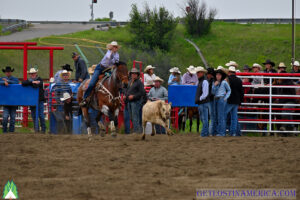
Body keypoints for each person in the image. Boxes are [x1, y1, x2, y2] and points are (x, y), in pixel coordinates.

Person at [80, 41, 120, 106]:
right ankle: (85, 98)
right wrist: (112, 51)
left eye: (116, 47)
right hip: (100, 68)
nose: (115, 48)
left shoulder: (117, 54)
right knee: (92, 83)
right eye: (113, 47)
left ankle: (115, 98)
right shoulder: (109, 52)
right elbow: (108, 58)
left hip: (108, 70)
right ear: (111, 47)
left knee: (114, 81)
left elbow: (116, 62)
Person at [22, 67, 46, 133]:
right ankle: (37, 129)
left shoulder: (40, 79)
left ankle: (43, 129)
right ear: (30, 74)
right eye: (31, 74)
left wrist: (31, 83)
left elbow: (37, 85)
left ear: (36, 73)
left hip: (39, 100)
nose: (32, 74)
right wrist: (33, 82)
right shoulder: (31, 80)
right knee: (34, 115)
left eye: (33, 73)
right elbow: (23, 83)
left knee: (40, 115)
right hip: (33, 101)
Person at [125, 68, 145, 134]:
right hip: (129, 101)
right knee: (132, 117)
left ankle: (137, 131)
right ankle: (138, 131)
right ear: (130, 74)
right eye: (132, 73)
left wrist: (134, 96)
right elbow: (127, 90)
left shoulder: (139, 82)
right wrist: (126, 95)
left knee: (135, 117)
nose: (133, 74)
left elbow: (142, 92)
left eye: (135, 73)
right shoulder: (130, 81)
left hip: (136, 102)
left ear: (137, 75)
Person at [212, 67, 231, 136]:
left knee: (221, 116)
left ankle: (222, 132)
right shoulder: (215, 83)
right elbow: (213, 92)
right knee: (216, 116)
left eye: (219, 75)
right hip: (215, 99)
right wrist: (214, 86)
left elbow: (229, 90)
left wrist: (226, 98)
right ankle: (218, 131)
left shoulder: (224, 82)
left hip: (221, 99)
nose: (218, 76)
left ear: (221, 76)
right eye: (217, 75)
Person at [226, 66, 244, 136]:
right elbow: (241, 92)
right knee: (234, 117)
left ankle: (223, 131)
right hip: (236, 101)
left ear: (229, 72)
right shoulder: (239, 80)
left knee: (223, 116)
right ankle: (233, 133)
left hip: (229, 100)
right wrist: (240, 101)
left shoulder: (227, 80)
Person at [0, 66, 19, 133]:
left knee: (13, 118)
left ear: (10, 72)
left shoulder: (14, 79)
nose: (8, 73)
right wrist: (3, 82)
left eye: (9, 72)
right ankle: (5, 131)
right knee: (5, 117)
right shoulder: (2, 79)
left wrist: (7, 81)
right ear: (5, 72)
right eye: (7, 72)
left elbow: (16, 82)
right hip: (7, 101)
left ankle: (11, 131)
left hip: (12, 101)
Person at [194, 66, 210, 137]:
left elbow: (205, 94)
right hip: (202, 103)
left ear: (202, 73)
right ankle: (205, 133)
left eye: (198, 72)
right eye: (197, 72)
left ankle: (204, 134)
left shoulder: (204, 81)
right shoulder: (202, 81)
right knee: (203, 119)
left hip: (203, 102)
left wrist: (199, 99)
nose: (197, 74)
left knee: (204, 119)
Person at [206, 67, 216, 136]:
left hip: (210, 99)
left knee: (211, 116)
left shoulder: (210, 81)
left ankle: (210, 131)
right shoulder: (212, 81)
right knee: (212, 116)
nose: (207, 75)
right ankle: (211, 132)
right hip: (211, 99)